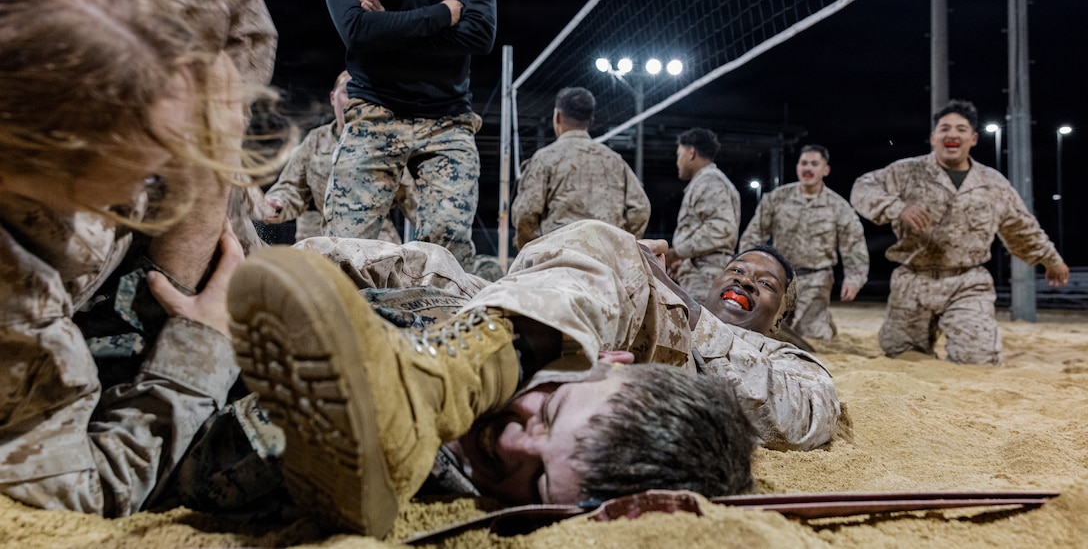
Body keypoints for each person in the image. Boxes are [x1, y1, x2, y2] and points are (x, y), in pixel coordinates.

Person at [226, 218, 842, 538]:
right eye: (738, 270)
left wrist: (683, 333)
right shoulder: (647, 287)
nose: (746, 283)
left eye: (765, 285)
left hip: (620, 353)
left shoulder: (772, 354)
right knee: (426, 270)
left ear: (781, 312)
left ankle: (437, 379)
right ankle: (246, 260)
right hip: (555, 317)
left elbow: (810, 407)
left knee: (607, 250)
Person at [0, 0, 285, 518]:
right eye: (136, 176)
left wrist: (204, 182)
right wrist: (198, 343)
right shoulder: (12, 297)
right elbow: (76, 495)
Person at [322, 0, 497, 268]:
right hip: (375, 109)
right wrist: (443, 13)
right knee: (344, 251)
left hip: (448, 120)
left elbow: (481, 35)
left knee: (445, 253)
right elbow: (357, 32)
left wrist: (387, 23)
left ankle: (435, 332)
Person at [850, 99, 1070, 365]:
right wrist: (897, 208)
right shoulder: (906, 171)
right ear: (933, 137)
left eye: (961, 129)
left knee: (977, 361)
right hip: (912, 281)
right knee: (901, 357)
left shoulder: (993, 183)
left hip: (967, 282)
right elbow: (862, 189)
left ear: (973, 138)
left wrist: (1051, 259)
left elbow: (1022, 227)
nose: (952, 134)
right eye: (944, 128)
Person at [255, 70, 417, 242]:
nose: (353, 101)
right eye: (348, 92)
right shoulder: (316, 141)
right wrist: (275, 204)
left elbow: (412, 200)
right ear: (333, 98)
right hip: (325, 242)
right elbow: (291, 188)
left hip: (376, 244)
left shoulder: (383, 144)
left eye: (361, 95)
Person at [738, 145, 869, 341]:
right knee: (772, 331)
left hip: (817, 279)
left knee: (811, 336)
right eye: (804, 163)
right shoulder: (776, 199)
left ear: (825, 170)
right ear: (798, 167)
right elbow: (754, 234)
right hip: (781, 278)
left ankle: (819, 318)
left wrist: (854, 278)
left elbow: (854, 244)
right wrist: (746, 266)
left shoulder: (838, 206)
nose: (808, 168)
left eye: (814, 164)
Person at [511, 86, 651, 249]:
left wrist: (534, 248)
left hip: (560, 257)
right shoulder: (615, 161)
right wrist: (619, 244)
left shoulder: (544, 159)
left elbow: (525, 213)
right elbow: (641, 209)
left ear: (557, 116)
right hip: (605, 258)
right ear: (591, 121)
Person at [666, 127, 742, 303]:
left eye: (679, 155)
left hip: (705, 277)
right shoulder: (707, 181)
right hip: (700, 272)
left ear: (691, 152)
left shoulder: (710, 181)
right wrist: (684, 261)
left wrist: (678, 252)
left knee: (699, 329)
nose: (678, 161)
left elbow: (722, 228)